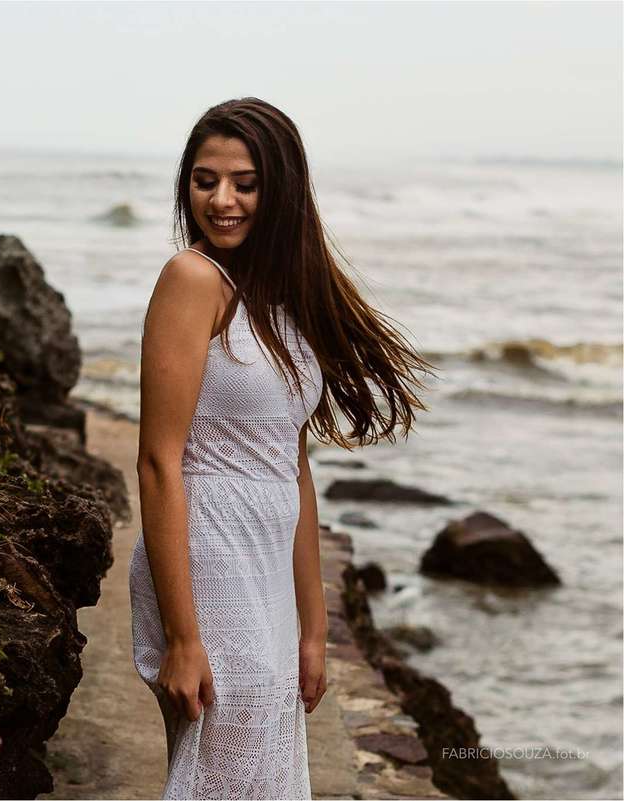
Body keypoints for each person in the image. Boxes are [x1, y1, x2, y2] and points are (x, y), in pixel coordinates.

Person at [128, 97, 436, 799]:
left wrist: (314, 630)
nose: (222, 200)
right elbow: (157, 461)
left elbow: (292, 469)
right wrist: (183, 637)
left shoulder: (281, 301)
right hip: (206, 556)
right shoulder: (192, 279)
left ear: (283, 190)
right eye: (205, 180)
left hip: (265, 570)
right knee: (224, 777)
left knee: (266, 775)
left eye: (245, 183)